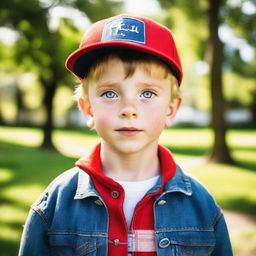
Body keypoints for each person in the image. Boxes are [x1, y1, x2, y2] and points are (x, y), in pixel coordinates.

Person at [18, 14, 233, 256]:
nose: (129, 109)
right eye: (110, 93)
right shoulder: (55, 205)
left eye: (148, 93)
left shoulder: (202, 206)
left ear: (171, 109)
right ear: (88, 109)